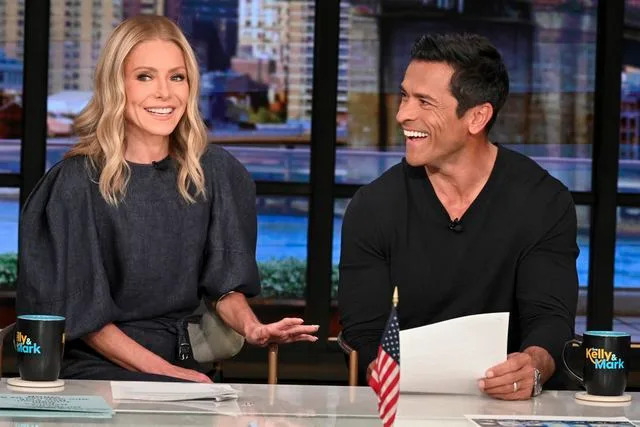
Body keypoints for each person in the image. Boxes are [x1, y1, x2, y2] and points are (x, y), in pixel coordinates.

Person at [16, 15, 318, 382]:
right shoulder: (75, 183)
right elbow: (84, 315)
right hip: (100, 372)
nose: (165, 93)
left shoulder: (216, 171)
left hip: (188, 366)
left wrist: (253, 329)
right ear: (115, 85)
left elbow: (225, 286)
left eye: (177, 77)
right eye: (145, 76)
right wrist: (170, 375)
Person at [338, 33, 578, 400]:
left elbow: (549, 318)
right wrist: (382, 369)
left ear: (477, 117)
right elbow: (364, 331)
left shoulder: (543, 201)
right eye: (404, 96)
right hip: (405, 404)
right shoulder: (373, 206)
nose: (403, 114)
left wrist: (532, 365)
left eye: (424, 102)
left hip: (511, 408)